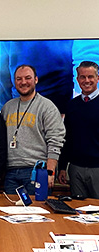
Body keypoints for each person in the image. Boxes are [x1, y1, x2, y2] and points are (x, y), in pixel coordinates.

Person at [1, 65, 66, 195]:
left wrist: (50, 172)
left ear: (36, 80)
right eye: (19, 79)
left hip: (36, 172)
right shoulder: (7, 107)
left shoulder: (47, 107)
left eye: (28, 78)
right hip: (10, 173)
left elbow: (56, 141)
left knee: (36, 213)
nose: (23, 82)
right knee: (9, 212)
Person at [58, 61, 99, 199]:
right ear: (77, 79)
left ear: (97, 78)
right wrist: (62, 167)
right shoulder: (71, 105)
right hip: (75, 169)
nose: (86, 81)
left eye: (90, 77)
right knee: (78, 211)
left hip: (97, 169)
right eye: (82, 77)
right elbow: (67, 138)